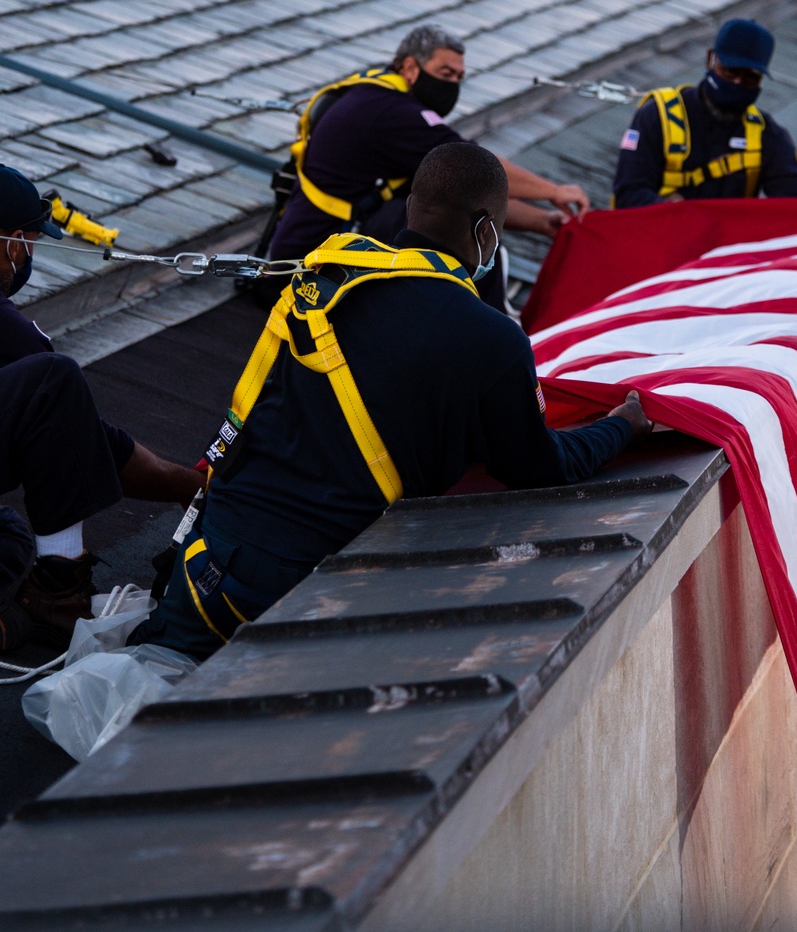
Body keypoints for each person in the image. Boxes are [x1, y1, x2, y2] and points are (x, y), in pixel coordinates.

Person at [134, 142, 652, 660]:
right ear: (486, 230)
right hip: (304, 587)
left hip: (207, 559)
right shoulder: (490, 339)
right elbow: (540, 467)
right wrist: (622, 426)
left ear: (411, 206)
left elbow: (247, 409)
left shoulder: (324, 278)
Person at [0, 164, 203, 652]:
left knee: (2, 538)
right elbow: (72, 428)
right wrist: (188, 487)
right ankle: (58, 594)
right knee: (53, 379)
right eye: (33, 248)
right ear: (17, 242)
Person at [266, 24, 591, 271]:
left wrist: (541, 221)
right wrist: (553, 190)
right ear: (410, 68)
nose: (451, 86)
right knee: (458, 239)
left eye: (459, 77)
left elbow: (460, 194)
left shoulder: (375, 92)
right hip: (309, 270)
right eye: (444, 73)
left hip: (310, 253)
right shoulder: (390, 113)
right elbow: (471, 170)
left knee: (440, 203)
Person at [612, 18, 797, 208]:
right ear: (711, 59)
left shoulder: (765, 134)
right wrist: (671, 209)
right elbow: (628, 194)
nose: (737, 83)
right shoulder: (659, 116)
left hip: (725, 245)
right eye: (731, 71)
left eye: (750, 78)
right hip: (662, 238)